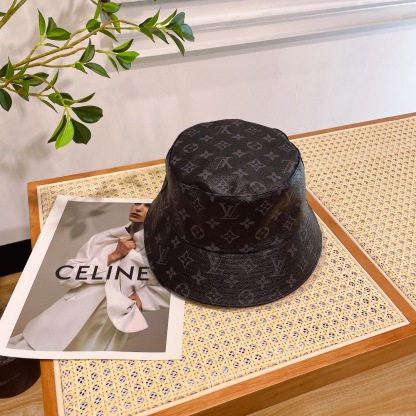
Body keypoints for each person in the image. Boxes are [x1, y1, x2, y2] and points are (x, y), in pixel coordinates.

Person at [8, 203, 170, 351]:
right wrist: (112, 256)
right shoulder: (103, 239)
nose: (138, 208)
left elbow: (172, 288)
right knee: (27, 351)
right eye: (137, 203)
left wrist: (142, 298)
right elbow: (66, 275)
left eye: (148, 206)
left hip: (108, 323)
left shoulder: (161, 252)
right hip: (70, 312)